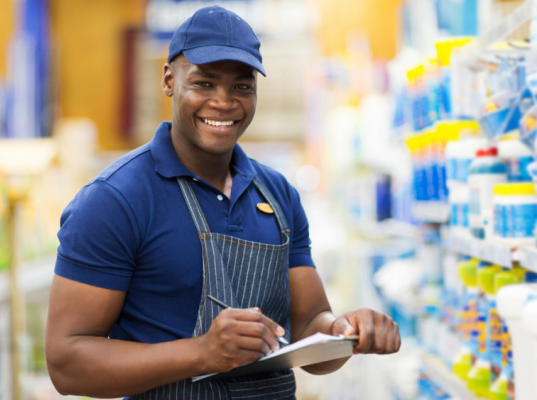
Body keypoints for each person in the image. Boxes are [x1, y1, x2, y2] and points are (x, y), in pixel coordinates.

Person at [45, 5, 400, 400]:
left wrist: (344, 331)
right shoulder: (115, 199)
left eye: (242, 86)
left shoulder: (278, 194)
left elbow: (310, 330)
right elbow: (67, 363)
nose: (224, 102)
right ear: (168, 80)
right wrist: (202, 353)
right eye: (204, 83)